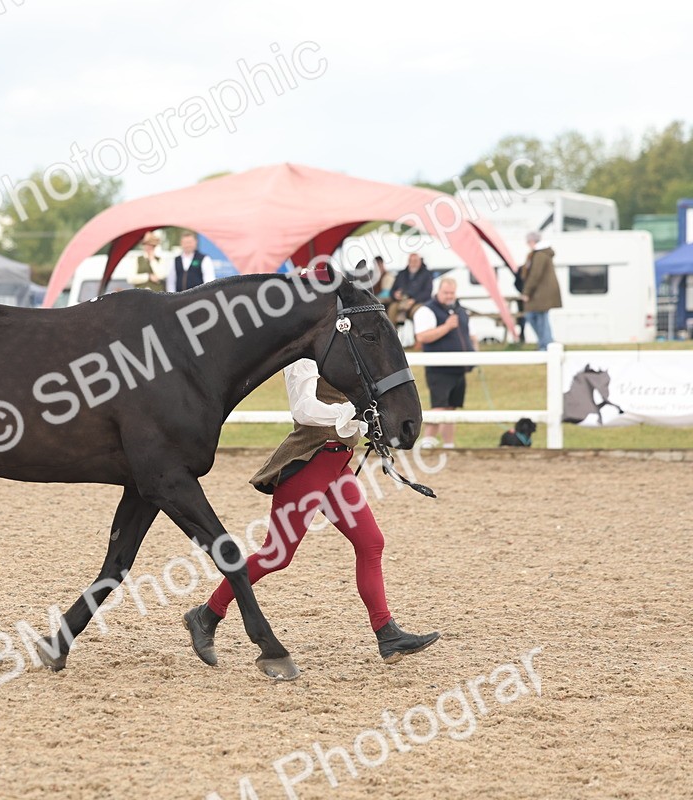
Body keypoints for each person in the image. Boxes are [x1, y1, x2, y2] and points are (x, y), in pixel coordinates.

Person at [182, 358, 441, 667]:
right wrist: (350, 413)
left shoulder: (336, 351)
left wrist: (367, 422)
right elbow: (304, 410)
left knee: (371, 542)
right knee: (276, 554)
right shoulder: (302, 359)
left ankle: (387, 633)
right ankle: (207, 614)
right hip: (309, 464)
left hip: (337, 466)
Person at [412, 277, 476, 449]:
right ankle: (427, 442)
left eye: (452, 293)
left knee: (451, 408)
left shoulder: (459, 310)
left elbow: (468, 334)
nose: (449, 296)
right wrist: (447, 327)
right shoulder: (427, 310)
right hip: (439, 368)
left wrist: (474, 351)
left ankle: (449, 444)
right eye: (446, 293)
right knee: (439, 406)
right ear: (438, 291)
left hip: (460, 368)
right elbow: (422, 336)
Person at [521, 232, 562, 350]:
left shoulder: (539, 255)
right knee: (538, 317)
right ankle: (545, 342)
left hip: (540, 293)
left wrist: (527, 292)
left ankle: (546, 344)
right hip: (541, 292)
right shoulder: (540, 254)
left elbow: (535, 275)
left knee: (539, 318)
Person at [387, 254, 432, 324]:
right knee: (392, 308)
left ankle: (417, 334)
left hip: (418, 302)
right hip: (401, 301)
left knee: (418, 313)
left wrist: (414, 300)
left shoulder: (427, 275)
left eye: (415, 261)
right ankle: (391, 332)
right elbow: (392, 291)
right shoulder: (401, 274)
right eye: (411, 261)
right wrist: (395, 295)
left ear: (420, 262)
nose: (413, 263)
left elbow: (427, 293)